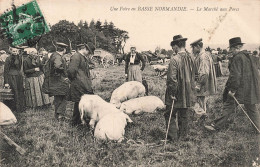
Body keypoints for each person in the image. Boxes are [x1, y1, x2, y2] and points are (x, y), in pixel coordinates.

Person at [205, 37, 260, 133]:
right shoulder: (249, 56)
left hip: (239, 89)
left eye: (231, 48)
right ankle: (258, 128)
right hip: (250, 89)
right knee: (252, 108)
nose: (230, 51)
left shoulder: (238, 57)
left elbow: (236, 76)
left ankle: (216, 126)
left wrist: (232, 90)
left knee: (228, 105)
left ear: (237, 48)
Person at [165, 35, 196, 142]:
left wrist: (172, 93)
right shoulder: (191, 57)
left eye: (173, 47)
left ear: (177, 46)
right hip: (188, 91)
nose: (173, 49)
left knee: (170, 114)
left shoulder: (175, 59)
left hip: (177, 91)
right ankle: (183, 137)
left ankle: (172, 138)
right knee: (184, 114)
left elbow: (172, 78)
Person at [67, 43, 95, 126]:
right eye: (89, 52)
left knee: (81, 102)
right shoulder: (76, 56)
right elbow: (71, 70)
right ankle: (75, 122)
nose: (89, 53)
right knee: (78, 102)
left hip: (82, 83)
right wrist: (74, 80)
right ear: (85, 49)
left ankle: (78, 121)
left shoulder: (82, 57)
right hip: (78, 83)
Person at [42, 42, 69, 120]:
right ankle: (60, 114)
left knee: (58, 98)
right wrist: (64, 72)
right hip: (59, 80)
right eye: (65, 49)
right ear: (63, 50)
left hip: (54, 80)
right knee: (65, 95)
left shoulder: (53, 55)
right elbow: (57, 66)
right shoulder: (58, 57)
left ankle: (57, 116)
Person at [190, 38, 217, 115]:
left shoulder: (203, 57)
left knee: (200, 103)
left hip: (202, 86)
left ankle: (201, 119)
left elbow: (204, 73)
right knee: (202, 103)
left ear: (198, 46)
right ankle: (202, 118)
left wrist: (198, 85)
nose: (192, 50)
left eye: (193, 48)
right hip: (203, 85)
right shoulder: (203, 55)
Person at [4, 46, 26, 112]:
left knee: (20, 91)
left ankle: (20, 108)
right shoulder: (8, 59)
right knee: (13, 92)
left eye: (16, 51)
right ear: (11, 51)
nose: (15, 52)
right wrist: (6, 82)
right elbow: (6, 71)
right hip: (11, 77)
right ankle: (12, 108)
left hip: (18, 77)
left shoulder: (19, 58)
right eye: (14, 51)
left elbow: (19, 68)